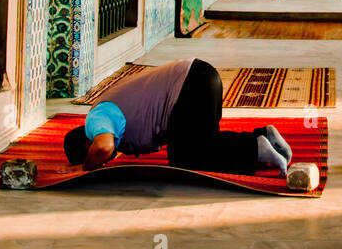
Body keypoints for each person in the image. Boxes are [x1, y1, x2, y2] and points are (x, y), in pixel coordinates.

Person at [62, 58, 293, 175]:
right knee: (204, 142)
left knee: (185, 158)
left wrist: (84, 168)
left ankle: (255, 149)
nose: (105, 161)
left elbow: (102, 147)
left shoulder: (96, 117)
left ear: (86, 143)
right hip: (201, 77)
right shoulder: (114, 117)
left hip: (190, 85)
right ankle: (263, 136)